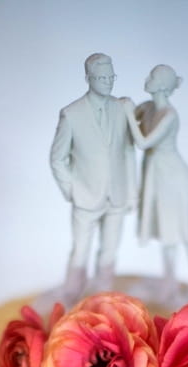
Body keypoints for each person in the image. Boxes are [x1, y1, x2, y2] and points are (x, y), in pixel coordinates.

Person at [50, 53, 136, 303]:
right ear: (88, 78)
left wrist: (132, 192)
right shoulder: (72, 114)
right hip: (86, 196)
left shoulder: (122, 108)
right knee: (80, 251)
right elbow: (58, 158)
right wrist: (72, 190)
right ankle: (70, 297)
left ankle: (103, 300)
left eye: (111, 76)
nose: (108, 82)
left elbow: (128, 151)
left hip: (117, 194)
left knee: (110, 251)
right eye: (101, 77)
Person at [123, 65, 188, 301]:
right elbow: (131, 120)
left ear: (162, 85)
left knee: (184, 229)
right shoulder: (149, 107)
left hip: (173, 176)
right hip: (158, 174)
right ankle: (169, 278)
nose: (147, 78)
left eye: (151, 76)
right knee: (166, 228)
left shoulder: (169, 115)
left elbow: (143, 141)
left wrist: (130, 114)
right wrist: (129, 112)